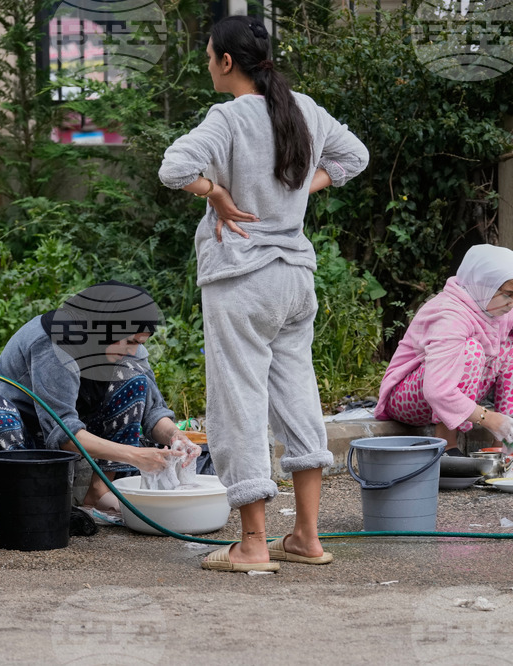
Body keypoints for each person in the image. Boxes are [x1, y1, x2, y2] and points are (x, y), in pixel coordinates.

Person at [158, 16, 369, 572]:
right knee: (299, 393)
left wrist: (217, 194)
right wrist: (302, 189)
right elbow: (354, 158)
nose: (206, 65)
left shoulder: (227, 118)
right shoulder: (304, 109)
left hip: (242, 279)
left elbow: (174, 168)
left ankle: (252, 544)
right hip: (295, 277)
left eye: (208, 57)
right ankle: (306, 536)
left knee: (238, 401)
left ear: (227, 62)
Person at [0, 281, 200, 520]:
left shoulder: (128, 349)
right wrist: (134, 456)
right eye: (130, 341)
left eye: (139, 343)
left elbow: (152, 411)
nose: (134, 351)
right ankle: (29, 502)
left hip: (66, 434)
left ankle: (100, 489)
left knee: (133, 377)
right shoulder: (57, 341)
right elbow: (62, 431)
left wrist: (175, 436)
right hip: (10, 435)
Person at [374, 244, 513, 452]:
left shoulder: (507, 308)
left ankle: (504, 448)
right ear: (484, 285)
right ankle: (447, 446)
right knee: (471, 351)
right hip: (410, 401)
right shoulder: (450, 314)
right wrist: (489, 419)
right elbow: (437, 390)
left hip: (453, 395)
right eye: (508, 294)